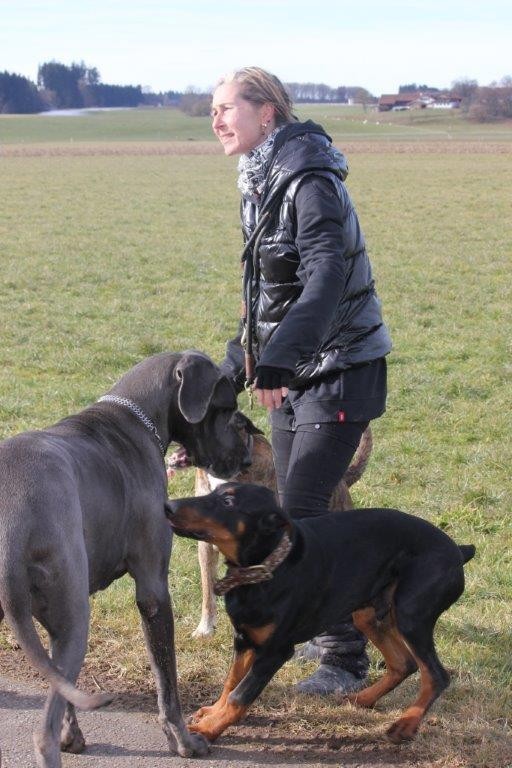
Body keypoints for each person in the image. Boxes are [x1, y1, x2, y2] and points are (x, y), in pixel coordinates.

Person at [211, 67, 392, 696]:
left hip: (340, 368)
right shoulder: (260, 180)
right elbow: (266, 293)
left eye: (227, 107)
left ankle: (344, 658)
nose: (216, 120)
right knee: (293, 513)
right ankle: (329, 629)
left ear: (267, 112)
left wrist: (280, 359)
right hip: (293, 372)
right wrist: (233, 364)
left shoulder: (308, 179)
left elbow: (325, 276)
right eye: (212, 110)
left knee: (307, 516)